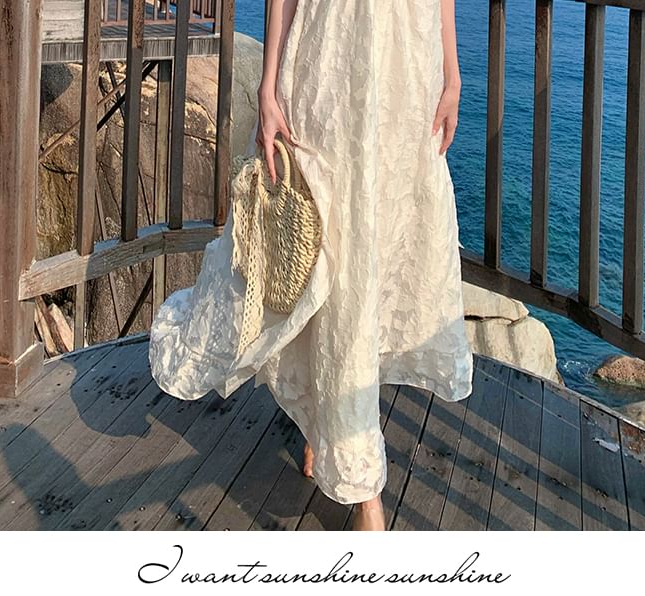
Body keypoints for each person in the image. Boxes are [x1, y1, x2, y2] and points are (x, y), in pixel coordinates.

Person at [148, 0, 474, 531]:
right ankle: (363, 487)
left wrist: (452, 77)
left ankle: (324, 423)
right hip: (329, 63)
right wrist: (267, 88)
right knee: (333, 251)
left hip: (406, 72)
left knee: (376, 256)